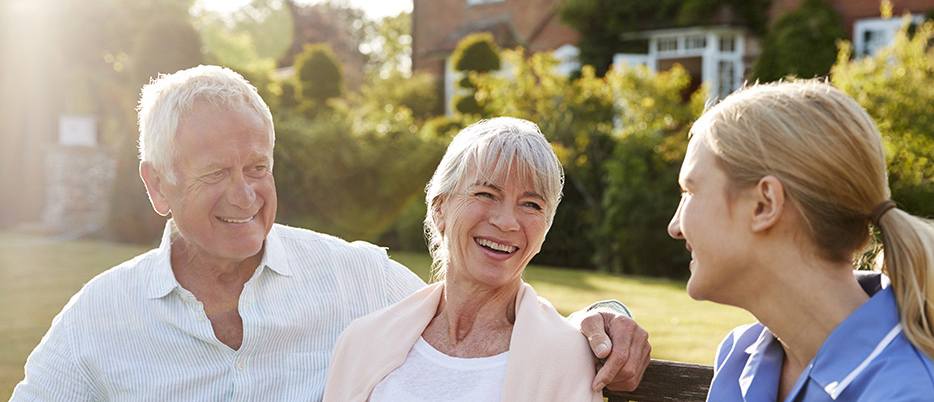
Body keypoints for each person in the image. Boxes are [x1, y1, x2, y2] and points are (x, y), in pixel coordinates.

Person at [10, 65, 649, 401]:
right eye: (214, 174)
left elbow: (480, 308)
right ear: (157, 186)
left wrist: (604, 313)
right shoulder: (99, 318)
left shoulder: (353, 279)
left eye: (258, 167)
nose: (245, 194)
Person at [667, 80, 934, 401]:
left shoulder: (914, 392)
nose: (675, 226)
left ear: (764, 204)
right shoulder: (740, 355)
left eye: (689, 191)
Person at [323, 117, 615, 401]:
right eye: (486, 194)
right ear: (439, 209)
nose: (507, 222)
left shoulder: (566, 357)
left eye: (531, 204)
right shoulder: (363, 341)